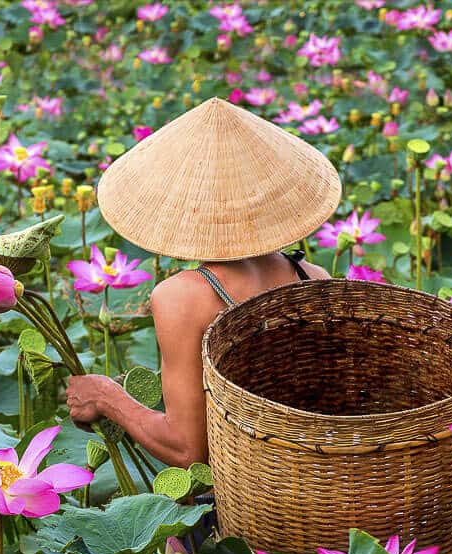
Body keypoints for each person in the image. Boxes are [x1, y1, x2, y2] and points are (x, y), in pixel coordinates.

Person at [65, 97, 340, 468]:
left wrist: (106, 397)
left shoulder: (184, 296)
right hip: (332, 480)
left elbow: (188, 451)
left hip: (257, 499)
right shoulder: (315, 276)